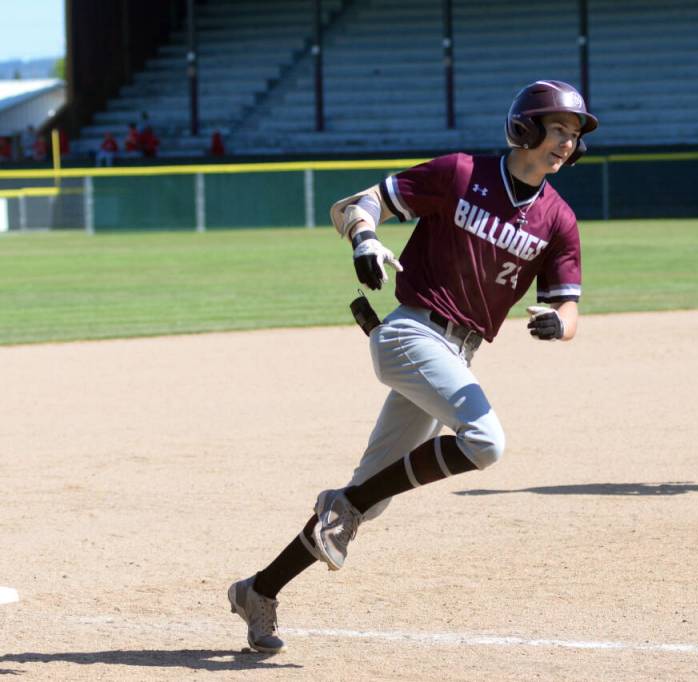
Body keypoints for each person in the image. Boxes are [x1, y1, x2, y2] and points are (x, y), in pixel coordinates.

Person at [227, 80, 598, 654]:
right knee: (485, 441)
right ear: (524, 128)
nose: (566, 144)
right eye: (558, 130)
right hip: (410, 332)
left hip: (459, 351)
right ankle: (341, 508)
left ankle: (259, 589)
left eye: (574, 136)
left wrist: (559, 321)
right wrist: (366, 241)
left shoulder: (558, 219)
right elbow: (358, 204)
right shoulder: (460, 174)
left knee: (368, 498)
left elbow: (570, 305)